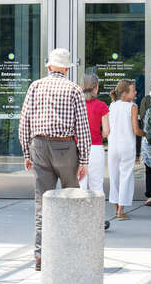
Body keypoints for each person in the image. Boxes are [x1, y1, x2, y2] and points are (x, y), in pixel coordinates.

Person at [18, 48, 91, 272]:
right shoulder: (74, 89)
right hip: (65, 146)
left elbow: (24, 122)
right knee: (71, 199)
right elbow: (83, 127)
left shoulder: (35, 86)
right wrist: (84, 160)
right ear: (67, 69)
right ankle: (72, 251)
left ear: (49, 66)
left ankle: (40, 256)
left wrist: (27, 153)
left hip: (39, 145)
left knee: (43, 202)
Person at [108, 79, 141, 221]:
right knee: (126, 175)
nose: (135, 92)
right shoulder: (132, 106)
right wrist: (146, 133)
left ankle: (115, 207)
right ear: (125, 93)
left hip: (113, 145)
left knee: (114, 176)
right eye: (133, 90)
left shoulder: (112, 105)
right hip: (127, 145)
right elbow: (135, 129)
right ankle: (121, 209)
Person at [80, 73, 109, 196]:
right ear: (96, 87)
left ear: (82, 86)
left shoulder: (76, 104)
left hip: (79, 148)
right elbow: (106, 132)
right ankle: (96, 215)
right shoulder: (102, 106)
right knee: (96, 186)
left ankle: (79, 215)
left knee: (80, 186)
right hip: (96, 148)